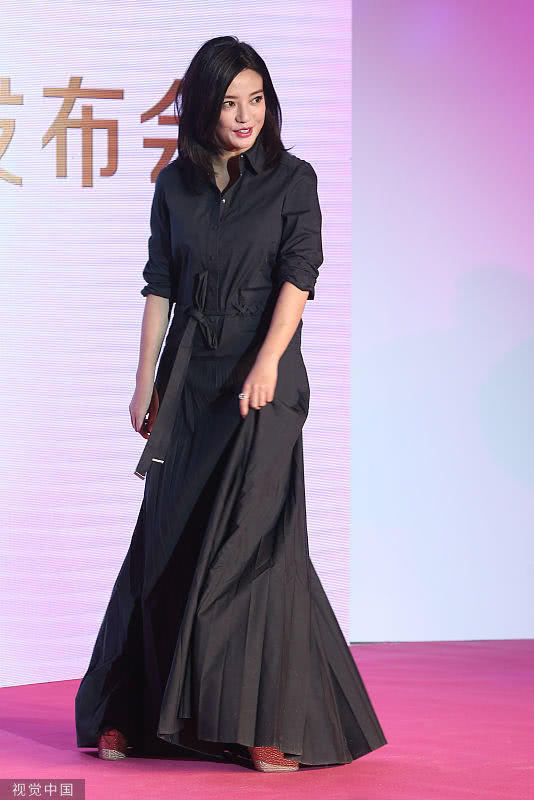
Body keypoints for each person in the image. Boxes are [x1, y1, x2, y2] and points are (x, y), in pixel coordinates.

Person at [75, 35, 388, 773]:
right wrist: (145, 379)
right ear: (201, 109)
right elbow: (160, 284)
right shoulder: (173, 186)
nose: (246, 115)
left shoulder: (293, 180)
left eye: (257, 99)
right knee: (167, 540)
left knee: (254, 547)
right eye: (229, 102)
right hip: (190, 380)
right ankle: (132, 713)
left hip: (264, 379)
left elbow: (300, 274)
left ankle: (260, 722)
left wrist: (270, 360)